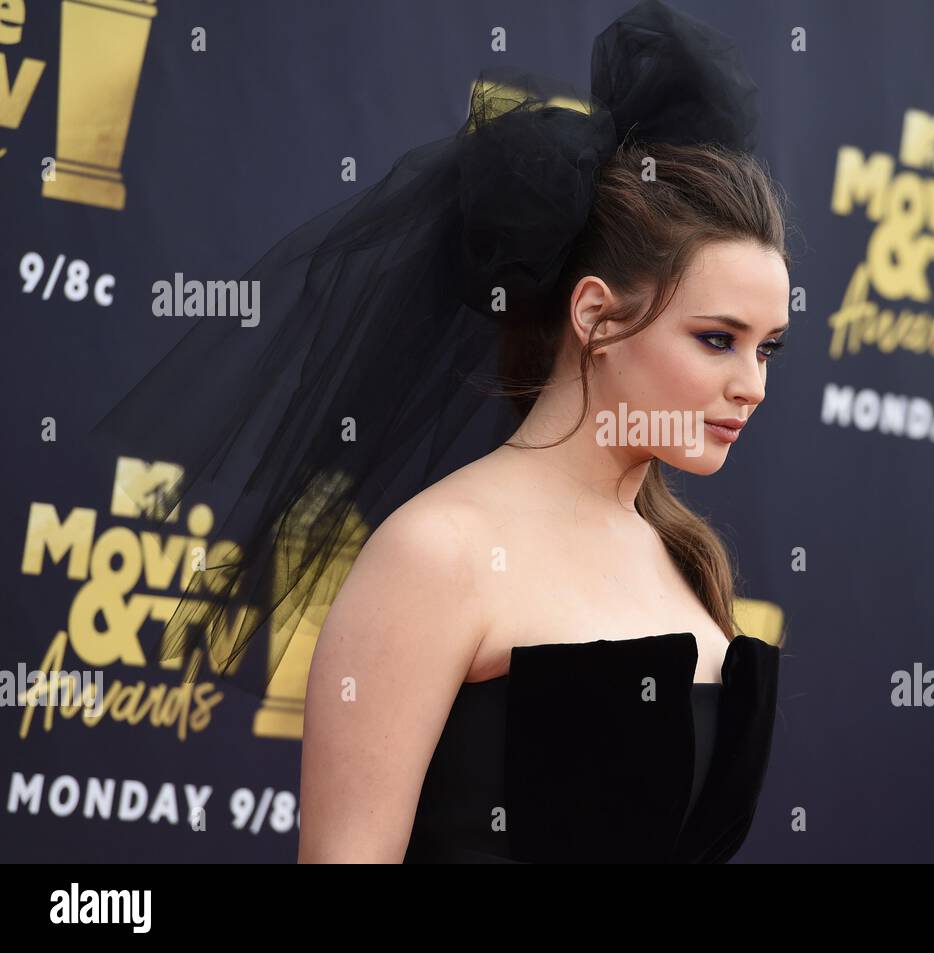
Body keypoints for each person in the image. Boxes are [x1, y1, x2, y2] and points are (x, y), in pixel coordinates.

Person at [92, 0, 791, 863]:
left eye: (769, 349)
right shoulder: (437, 553)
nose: (751, 385)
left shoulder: (690, 559)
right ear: (596, 318)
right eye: (717, 339)